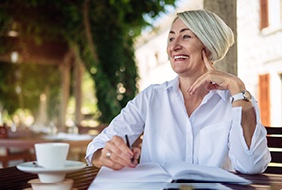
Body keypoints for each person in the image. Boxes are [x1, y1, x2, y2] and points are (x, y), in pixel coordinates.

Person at [85, 9, 271, 174]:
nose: (173, 47)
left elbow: (251, 166)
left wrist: (237, 89)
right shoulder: (151, 97)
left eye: (186, 36)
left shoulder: (238, 101)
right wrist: (109, 155)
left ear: (208, 45)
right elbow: (95, 149)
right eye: (171, 38)